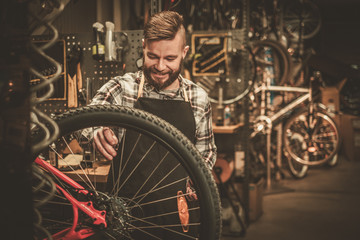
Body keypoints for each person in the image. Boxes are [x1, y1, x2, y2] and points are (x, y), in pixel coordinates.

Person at [90, 10, 217, 170]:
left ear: (184, 53)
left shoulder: (198, 98)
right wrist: (97, 131)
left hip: (179, 195)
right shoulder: (122, 88)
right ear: (143, 46)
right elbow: (82, 121)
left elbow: (207, 152)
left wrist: (197, 182)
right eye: (153, 56)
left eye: (170, 58)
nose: (160, 67)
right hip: (124, 195)